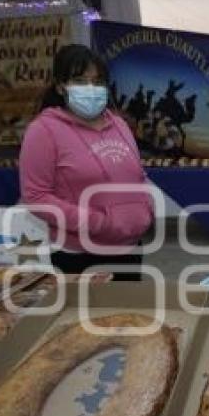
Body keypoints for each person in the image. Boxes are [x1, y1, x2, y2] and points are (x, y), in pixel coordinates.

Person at [19, 44, 153, 279]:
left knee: (129, 315)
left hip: (130, 249)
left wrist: (145, 210)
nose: (91, 89)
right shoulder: (43, 131)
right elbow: (36, 197)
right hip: (79, 255)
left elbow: (138, 175)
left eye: (98, 81)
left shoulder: (119, 125)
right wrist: (95, 222)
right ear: (61, 86)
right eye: (80, 81)